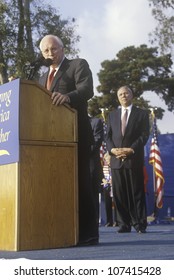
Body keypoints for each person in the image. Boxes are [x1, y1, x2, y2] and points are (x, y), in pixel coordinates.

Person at [38, 34, 98, 245]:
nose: (50, 53)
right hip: (52, 139)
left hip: (77, 135)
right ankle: (62, 229)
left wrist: (68, 97)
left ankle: (89, 233)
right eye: (45, 51)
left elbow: (86, 89)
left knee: (82, 182)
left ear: (62, 48)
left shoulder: (77, 65)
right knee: (57, 184)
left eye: (53, 49)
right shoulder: (41, 78)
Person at [106, 86, 149, 233]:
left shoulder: (142, 114)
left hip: (133, 159)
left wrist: (131, 150)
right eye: (120, 94)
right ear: (118, 97)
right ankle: (123, 224)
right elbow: (108, 136)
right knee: (119, 194)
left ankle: (139, 224)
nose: (123, 96)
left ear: (132, 94)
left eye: (126, 93)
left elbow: (144, 135)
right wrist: (112, 150)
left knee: (136, 193)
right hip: (116, 160)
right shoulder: (111, 115)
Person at [89, 116, 104, 224]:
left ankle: (93, 224)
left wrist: (77, 150)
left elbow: (97, 141)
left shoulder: (96, 122)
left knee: (92, 196)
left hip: (90, 166)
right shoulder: (68, 119)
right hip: (71, 166)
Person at [102, 152, 117, 227]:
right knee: (107, 205)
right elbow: (102, 176)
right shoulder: (104, 167)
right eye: (105, 160)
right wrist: (103, 180)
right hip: (106, 187)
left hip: (115, 187)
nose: (106, 161)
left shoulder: (115, 167)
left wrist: (113, 180)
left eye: (107, 159)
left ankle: (117, 221)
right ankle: (109, 221)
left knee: (116, 205)